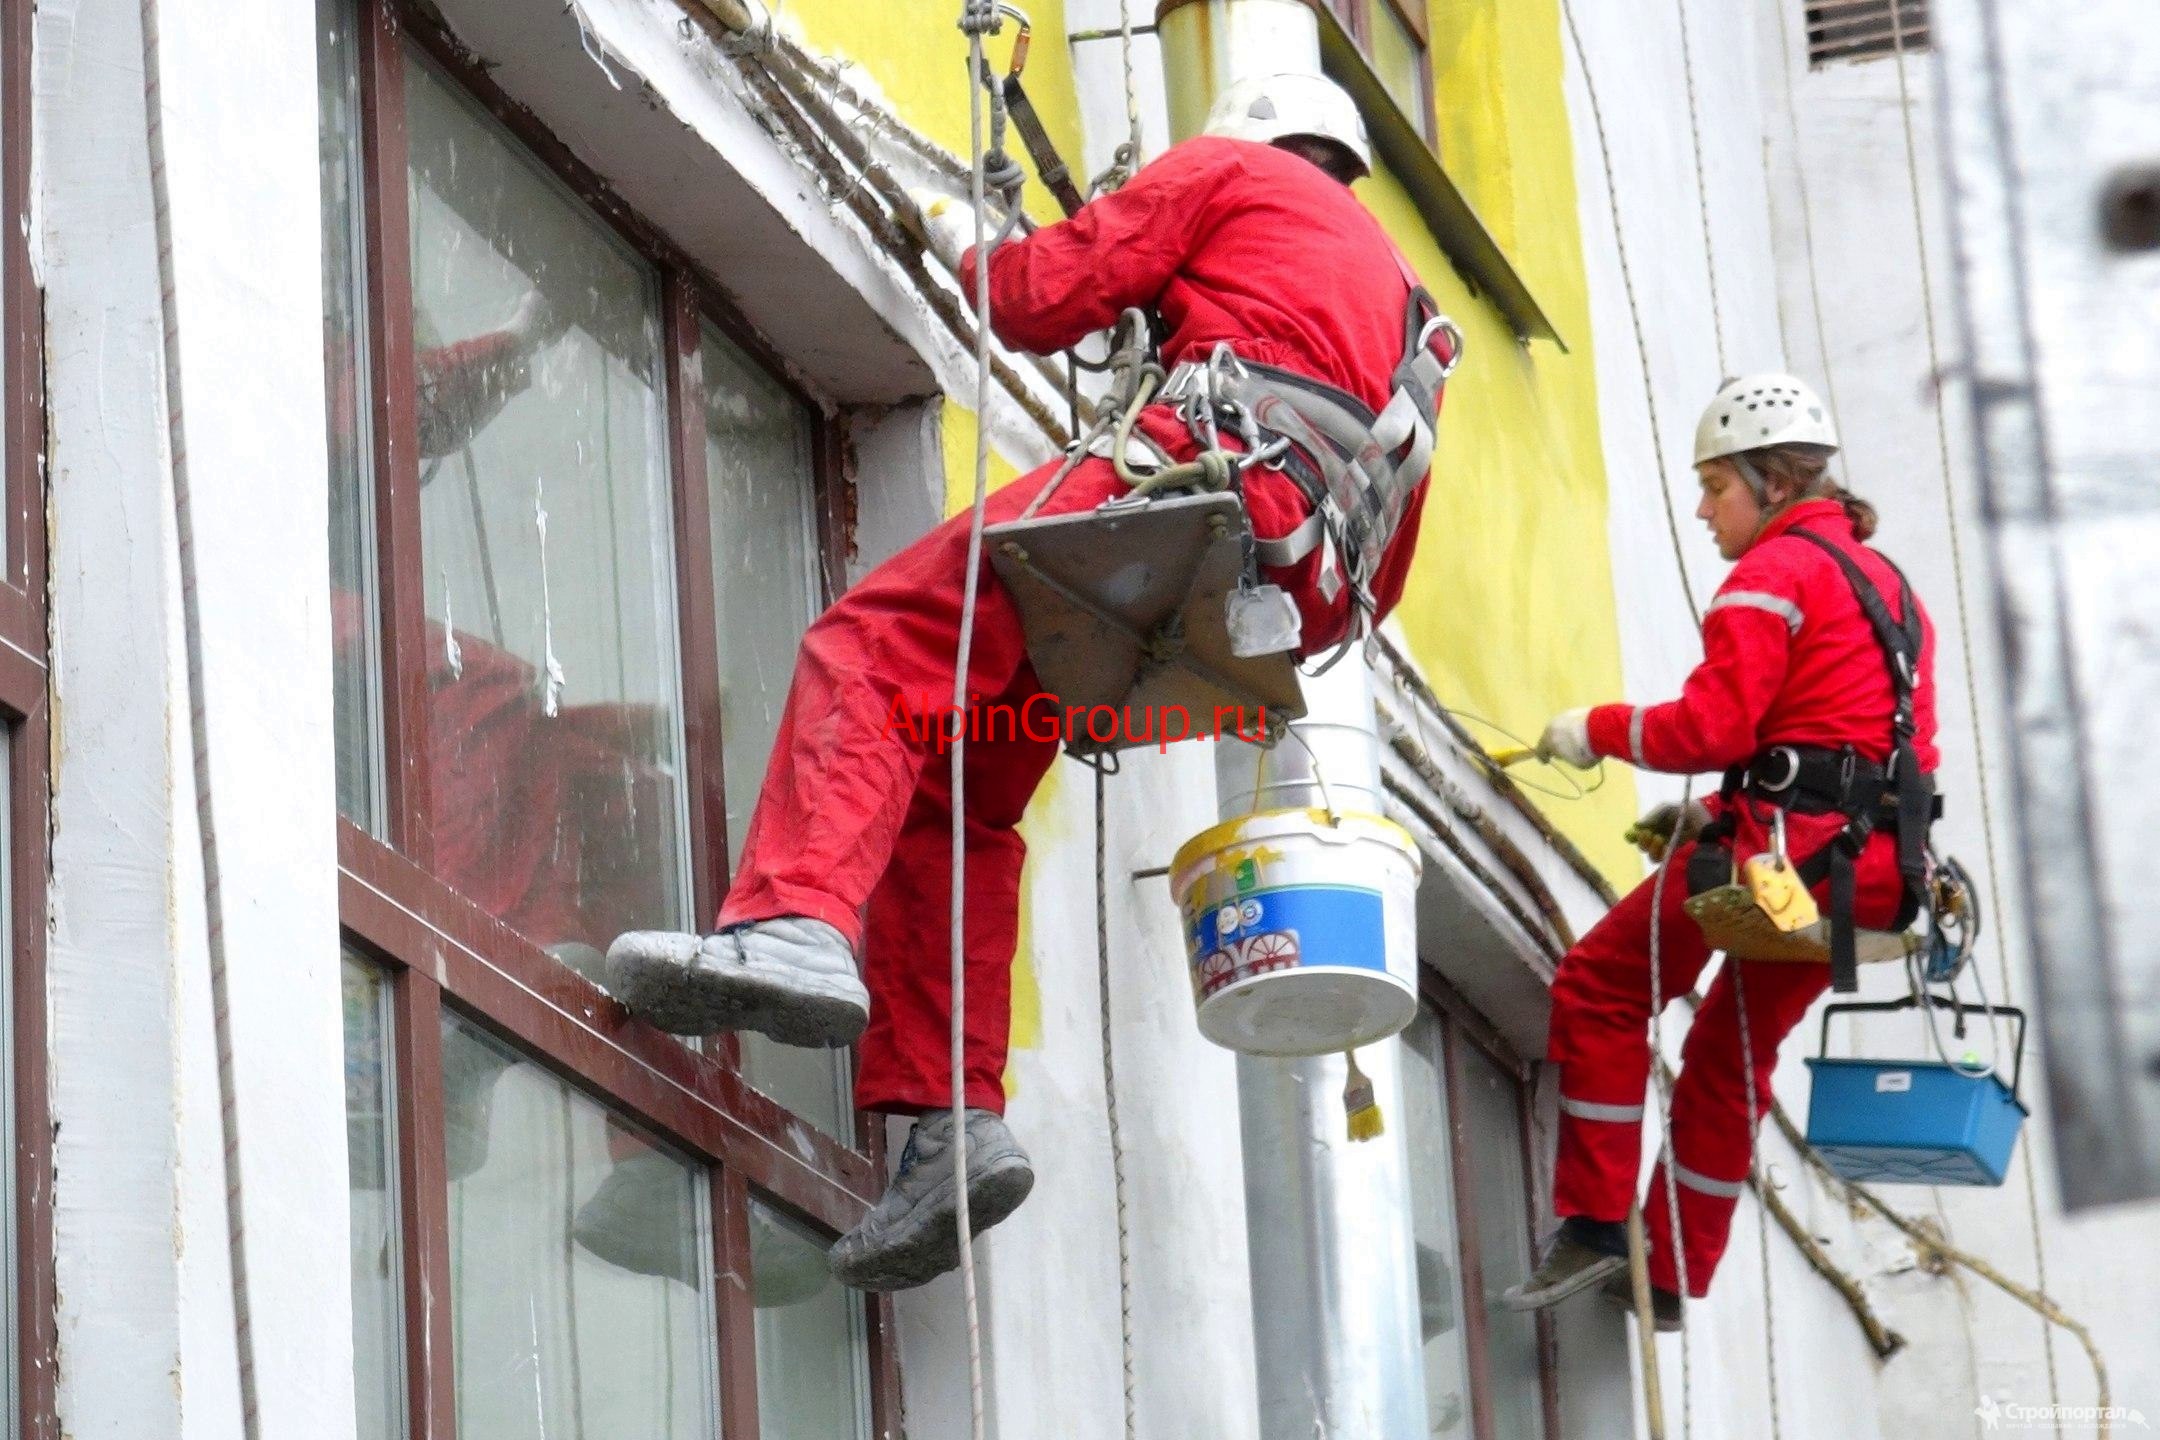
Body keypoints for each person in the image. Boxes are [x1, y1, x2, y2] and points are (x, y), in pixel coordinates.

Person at [605, 72, 1460, 1292]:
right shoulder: (1409, 321)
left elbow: (1036, 296)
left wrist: (957, 227)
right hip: (1244, 592)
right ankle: (952, 1124)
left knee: (879, 643)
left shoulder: (1227, 172)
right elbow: (1392, 567)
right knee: (960, 785)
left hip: (1181, 487)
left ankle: (791, 925)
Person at [1503, 374, 1939, 1330]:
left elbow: (1710, 726)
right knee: (1733, 1056)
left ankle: (1593, 1224)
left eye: (1716, 487)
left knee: (1603, 986)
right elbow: (1847, 741)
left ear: (1772, 484)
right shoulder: (1890, 588)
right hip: (1865, 876)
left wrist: (1599, 729)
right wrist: (1725, 811)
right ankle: (1669, 1272)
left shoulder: (1772, 575)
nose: (1703, 510)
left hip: (1780, 863)